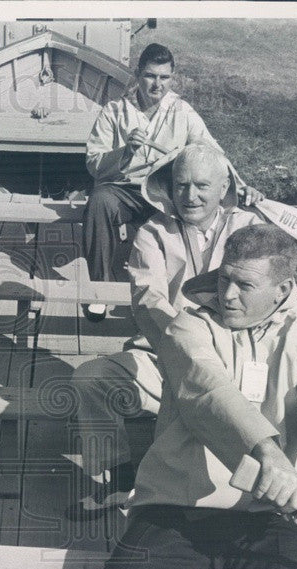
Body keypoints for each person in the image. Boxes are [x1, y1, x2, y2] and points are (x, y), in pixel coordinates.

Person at [84, 224, 297, 569]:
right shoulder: (188, 328)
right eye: (224, 278)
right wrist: (269, 454)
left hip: (278, 518)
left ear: (282, 289)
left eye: (244, 284)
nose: (227, 294)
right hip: (184, 508)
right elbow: (210, 394)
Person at [68, 143, 262, 518]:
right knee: (89, 379)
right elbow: (149, 300)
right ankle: (121, 477)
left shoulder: (248, 229)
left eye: (202, 186)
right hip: (165, 358)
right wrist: (186, 349)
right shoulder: (152, 233)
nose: (191, 196)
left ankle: (234, 491)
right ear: (170, 188)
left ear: (223, 189)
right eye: (182, 185)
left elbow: (263, 298)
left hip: (232, 364)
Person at [82, 43, 261, 321]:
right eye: (151, 76)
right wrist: (125, 151)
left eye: (164, 78)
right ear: (138, 75)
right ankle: (99, 291)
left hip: (165, 190)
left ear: (172, 78)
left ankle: (188, 293)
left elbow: (213, 154)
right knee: (99, 201)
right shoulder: (115, 111)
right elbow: (94, 165)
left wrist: (242, 184)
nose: (157, 85)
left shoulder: (182, 111)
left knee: (198, 206)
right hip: (124, 190)